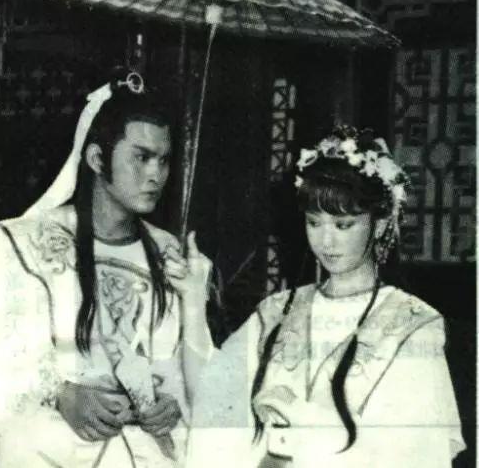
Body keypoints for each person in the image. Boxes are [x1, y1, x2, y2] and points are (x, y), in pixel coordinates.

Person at [0, 68, 213, 468]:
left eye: (164, 160)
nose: (156, 175)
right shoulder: (30, 245)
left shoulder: (168, 253)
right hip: (49, 447)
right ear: (96, 158)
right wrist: (60, 394)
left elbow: (186, 370)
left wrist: (171, 401)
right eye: (141, 157)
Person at [186, 125, 465, 468]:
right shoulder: (276, 311)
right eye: (314, 223)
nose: (326, 241)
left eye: (343, 225)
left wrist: (306, 429)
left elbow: (414, 453)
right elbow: (212, 396)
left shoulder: (410, 324)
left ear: (378, 224)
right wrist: (191, 300)